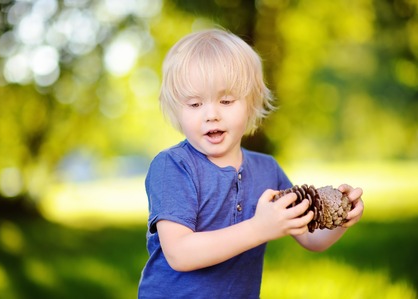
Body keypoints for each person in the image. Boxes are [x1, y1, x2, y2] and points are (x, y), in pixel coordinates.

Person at [137, 28, 364, 299]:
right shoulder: (173, 166)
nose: (211, 114)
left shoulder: (267, 169)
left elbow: (310, 238)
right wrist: (258, 229)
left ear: (251, 103)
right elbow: (180, 253)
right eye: (195, 104)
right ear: (178, 110)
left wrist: (340, 218)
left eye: (226, 100)